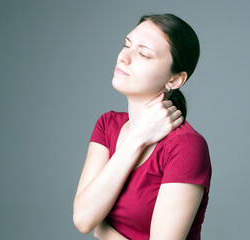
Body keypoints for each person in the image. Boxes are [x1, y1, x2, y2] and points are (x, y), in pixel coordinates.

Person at [73, 13, 212, 240]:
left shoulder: (186, 146)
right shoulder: (107, 125)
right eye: (126, 45)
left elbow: (95, 227)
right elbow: (83, 219)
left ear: (175, 80)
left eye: (144, 54)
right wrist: (138, 138)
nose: (123, 58)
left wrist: (104, 232)